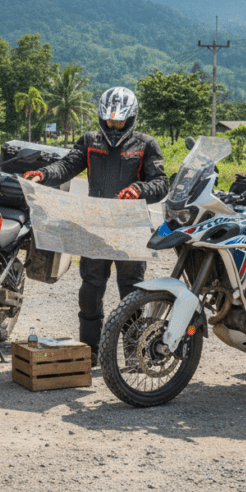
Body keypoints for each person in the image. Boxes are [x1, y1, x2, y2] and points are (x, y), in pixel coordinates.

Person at [23, 87, 169, 364]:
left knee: (132, 291)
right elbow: (66, 166)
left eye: (120, 121)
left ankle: (133, 355)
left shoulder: (146, 144)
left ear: (132, 118)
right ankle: (89, 354)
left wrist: (138, 189)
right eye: (110, 120)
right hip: (95, 225)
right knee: (90, 289)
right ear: (102, 117)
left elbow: (161, 184)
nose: (114, 125)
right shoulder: (89, 140)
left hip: (130, 227)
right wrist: (43, 174)